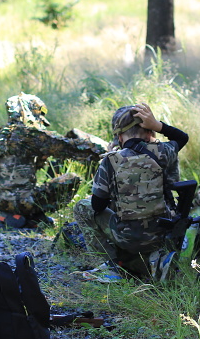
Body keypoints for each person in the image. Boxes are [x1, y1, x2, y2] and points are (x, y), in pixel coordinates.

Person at [73, 104, 188, 281]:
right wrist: (158, 125)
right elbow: (182, 137)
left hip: (128, 237)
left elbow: (97, 205)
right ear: (149, 132)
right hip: (163, 233)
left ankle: (110, 266)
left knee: (82, 207)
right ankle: (157, 259)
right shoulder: (163, 152)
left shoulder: (112, 160)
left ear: (120, 137)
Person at [0, 93, 105, 229]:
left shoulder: (2, 135)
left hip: (3, 202)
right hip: (23, 202)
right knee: (71, 179)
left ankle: (14, 214)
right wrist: (101, 148)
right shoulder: (29, 134)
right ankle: (32, 215)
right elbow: (69, 148)